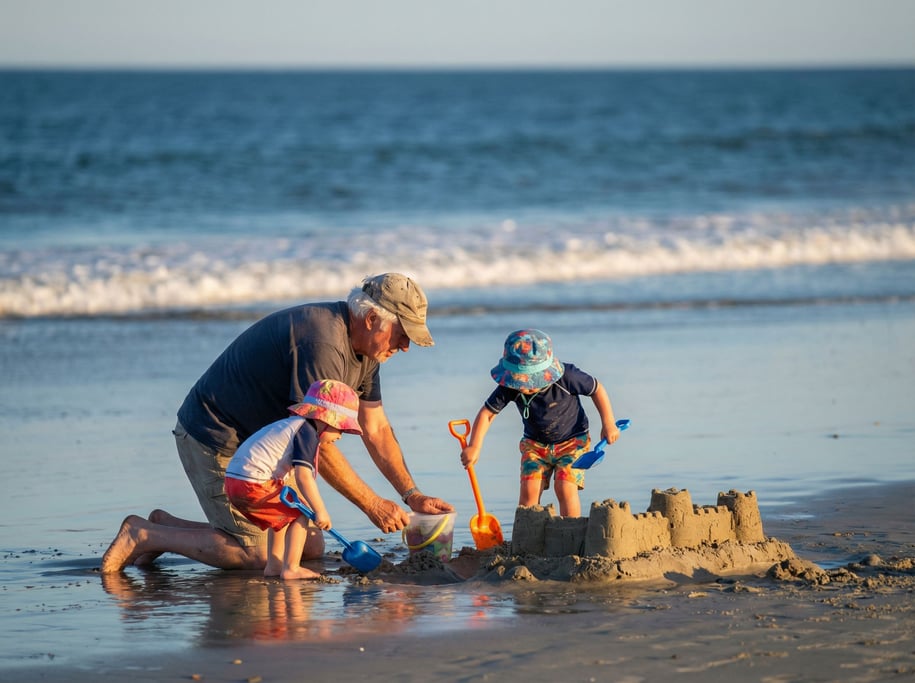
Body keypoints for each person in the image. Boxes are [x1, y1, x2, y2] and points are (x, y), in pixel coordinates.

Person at [101, 273, 453, 573]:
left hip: (262, 452)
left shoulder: (370, 351)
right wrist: (372, 504)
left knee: (308, 545)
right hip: (215, 437)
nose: (406, 346)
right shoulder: (323, 342)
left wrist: (412, 495)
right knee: (259, 554)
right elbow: (312, 441)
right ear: (372, 319)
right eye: (402, 332)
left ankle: (166, 527)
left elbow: (375, 427)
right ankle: (143, 535)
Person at [459, 329, 620, 518]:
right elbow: (487, 413)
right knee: (529, 489)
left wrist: (608, 423)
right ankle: (528, 536)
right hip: (534, 445)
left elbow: (597, 389)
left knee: (565, 486)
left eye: (530, 380)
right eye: (520, 380)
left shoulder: (567, 377)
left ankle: (570, 531)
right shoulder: (511, 386)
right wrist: (474, 446)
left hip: (572, 442)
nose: (524, 385)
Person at [225, 379, 363, 580]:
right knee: (300, 514)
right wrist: (320, 511)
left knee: (280, 519)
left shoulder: (292, 425)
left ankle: (274, 566)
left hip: (235, 482)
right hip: (251, 483)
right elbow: (303, 476)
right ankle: (291, 568)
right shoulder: (307, 433)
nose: (340, 436)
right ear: (326, 420)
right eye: (341, 429)